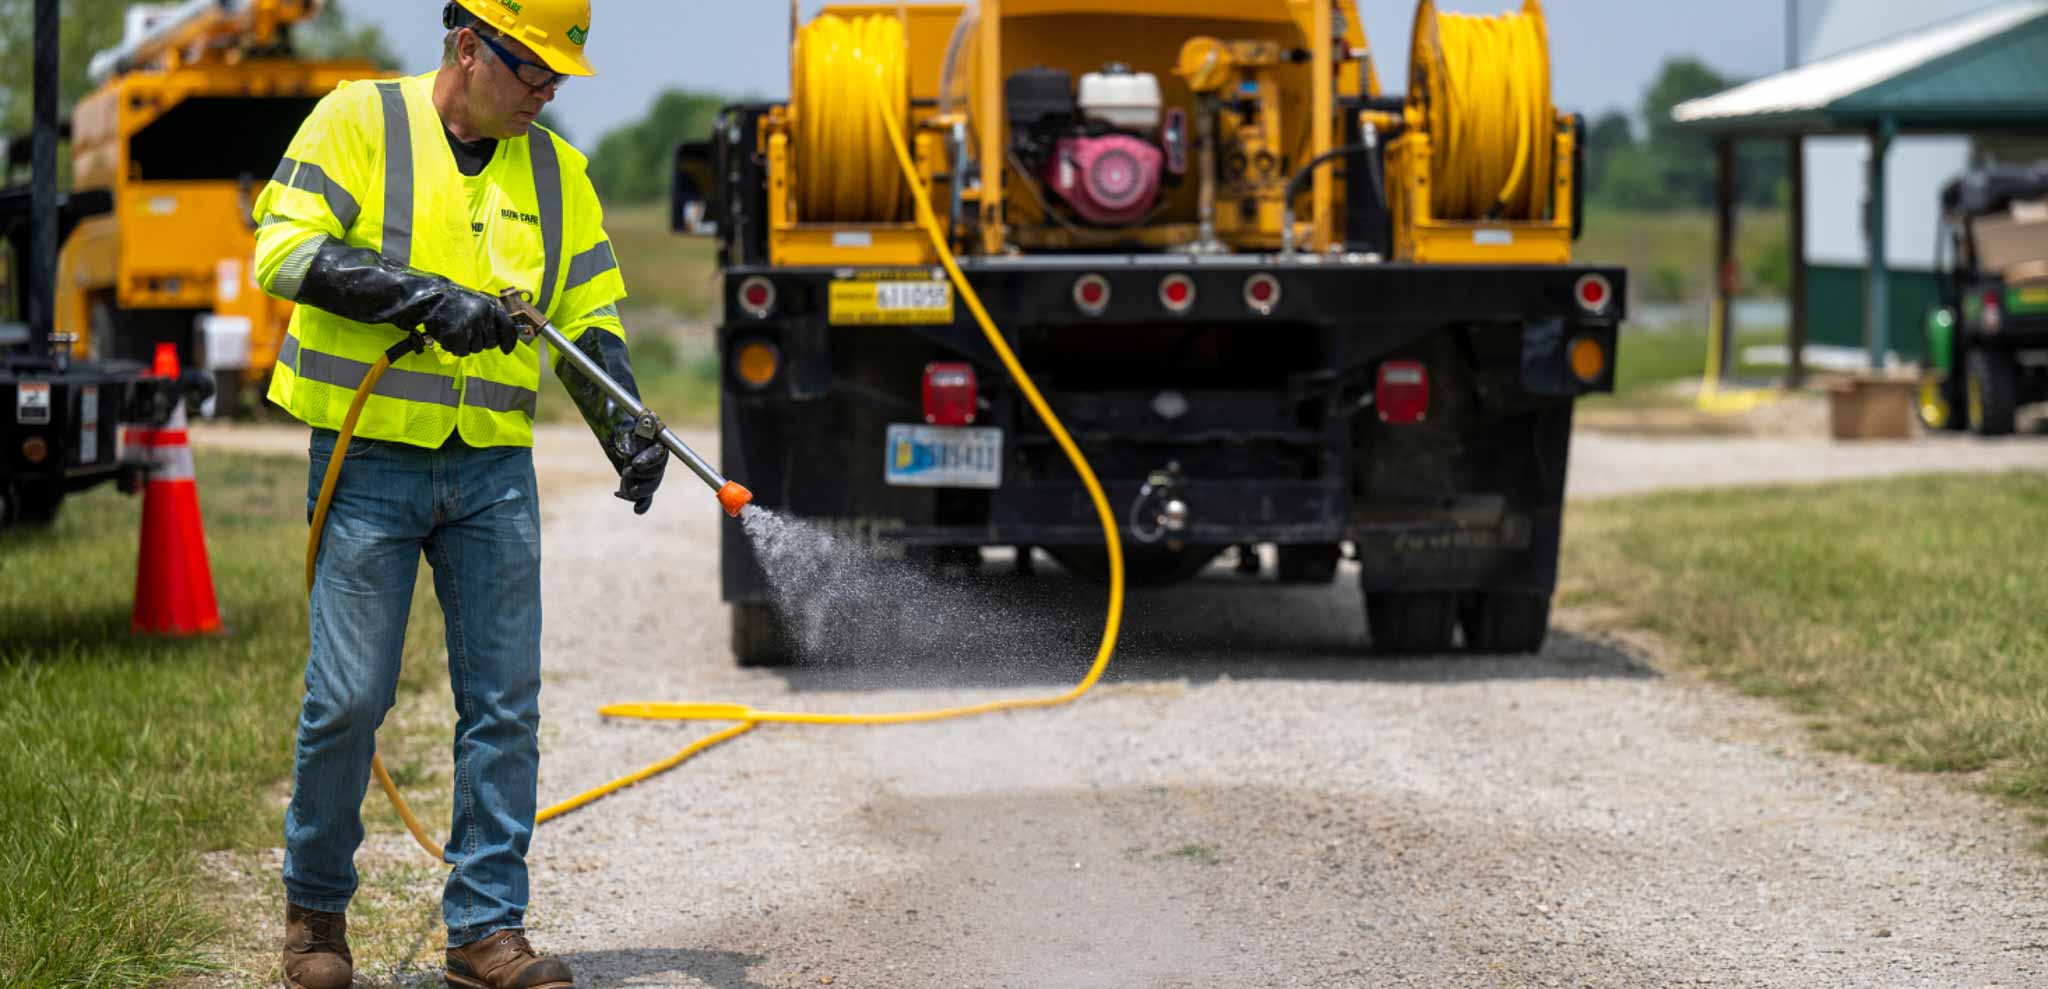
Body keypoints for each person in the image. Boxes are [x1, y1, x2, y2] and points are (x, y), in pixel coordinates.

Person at [252, 2, 665, 986]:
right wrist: (428, 298)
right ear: (468, 47)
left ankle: (485, 927)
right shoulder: (357, 120)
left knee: (504, 704)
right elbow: (285, 253)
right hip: (370, 461)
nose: (546, 91)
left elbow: (587, 314)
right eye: (531, 69)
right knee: (348, 698)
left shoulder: (558, 173)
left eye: (558, 76)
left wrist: (624, 423)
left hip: (490, 468)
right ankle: (314, 919)